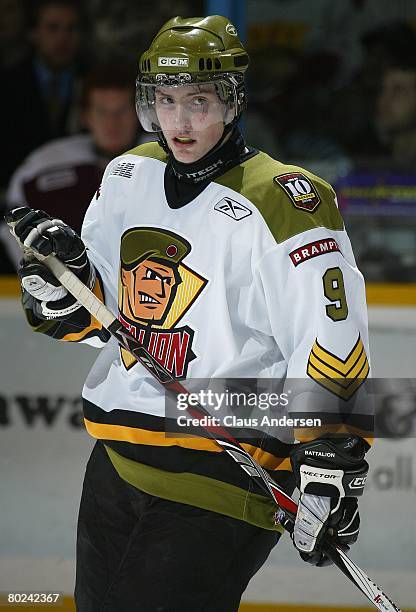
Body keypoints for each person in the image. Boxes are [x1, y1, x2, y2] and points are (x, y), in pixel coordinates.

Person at [6, 16, 372, 611]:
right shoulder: (130, 174)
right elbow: (97, 318)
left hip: (227, 469)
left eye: (197, 102)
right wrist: (60, 283)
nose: (179, 121)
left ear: (231, 103)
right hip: (117, 461)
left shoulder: (285, 200)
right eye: (165, 101)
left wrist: (332, 460)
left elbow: (331, 338)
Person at [1, 63, 150, 269]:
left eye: (121, 111)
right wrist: (48, 275)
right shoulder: (41, 166)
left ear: (138, 113)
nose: (112, 122)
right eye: (102, 111)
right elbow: (10, 226)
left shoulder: (166, 158)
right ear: (85, 115)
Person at [0, 0, 84, 190]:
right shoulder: (7, 84)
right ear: (33, 33)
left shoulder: (91, 80)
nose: (63, 37)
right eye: (53, 28)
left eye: (71, 28)